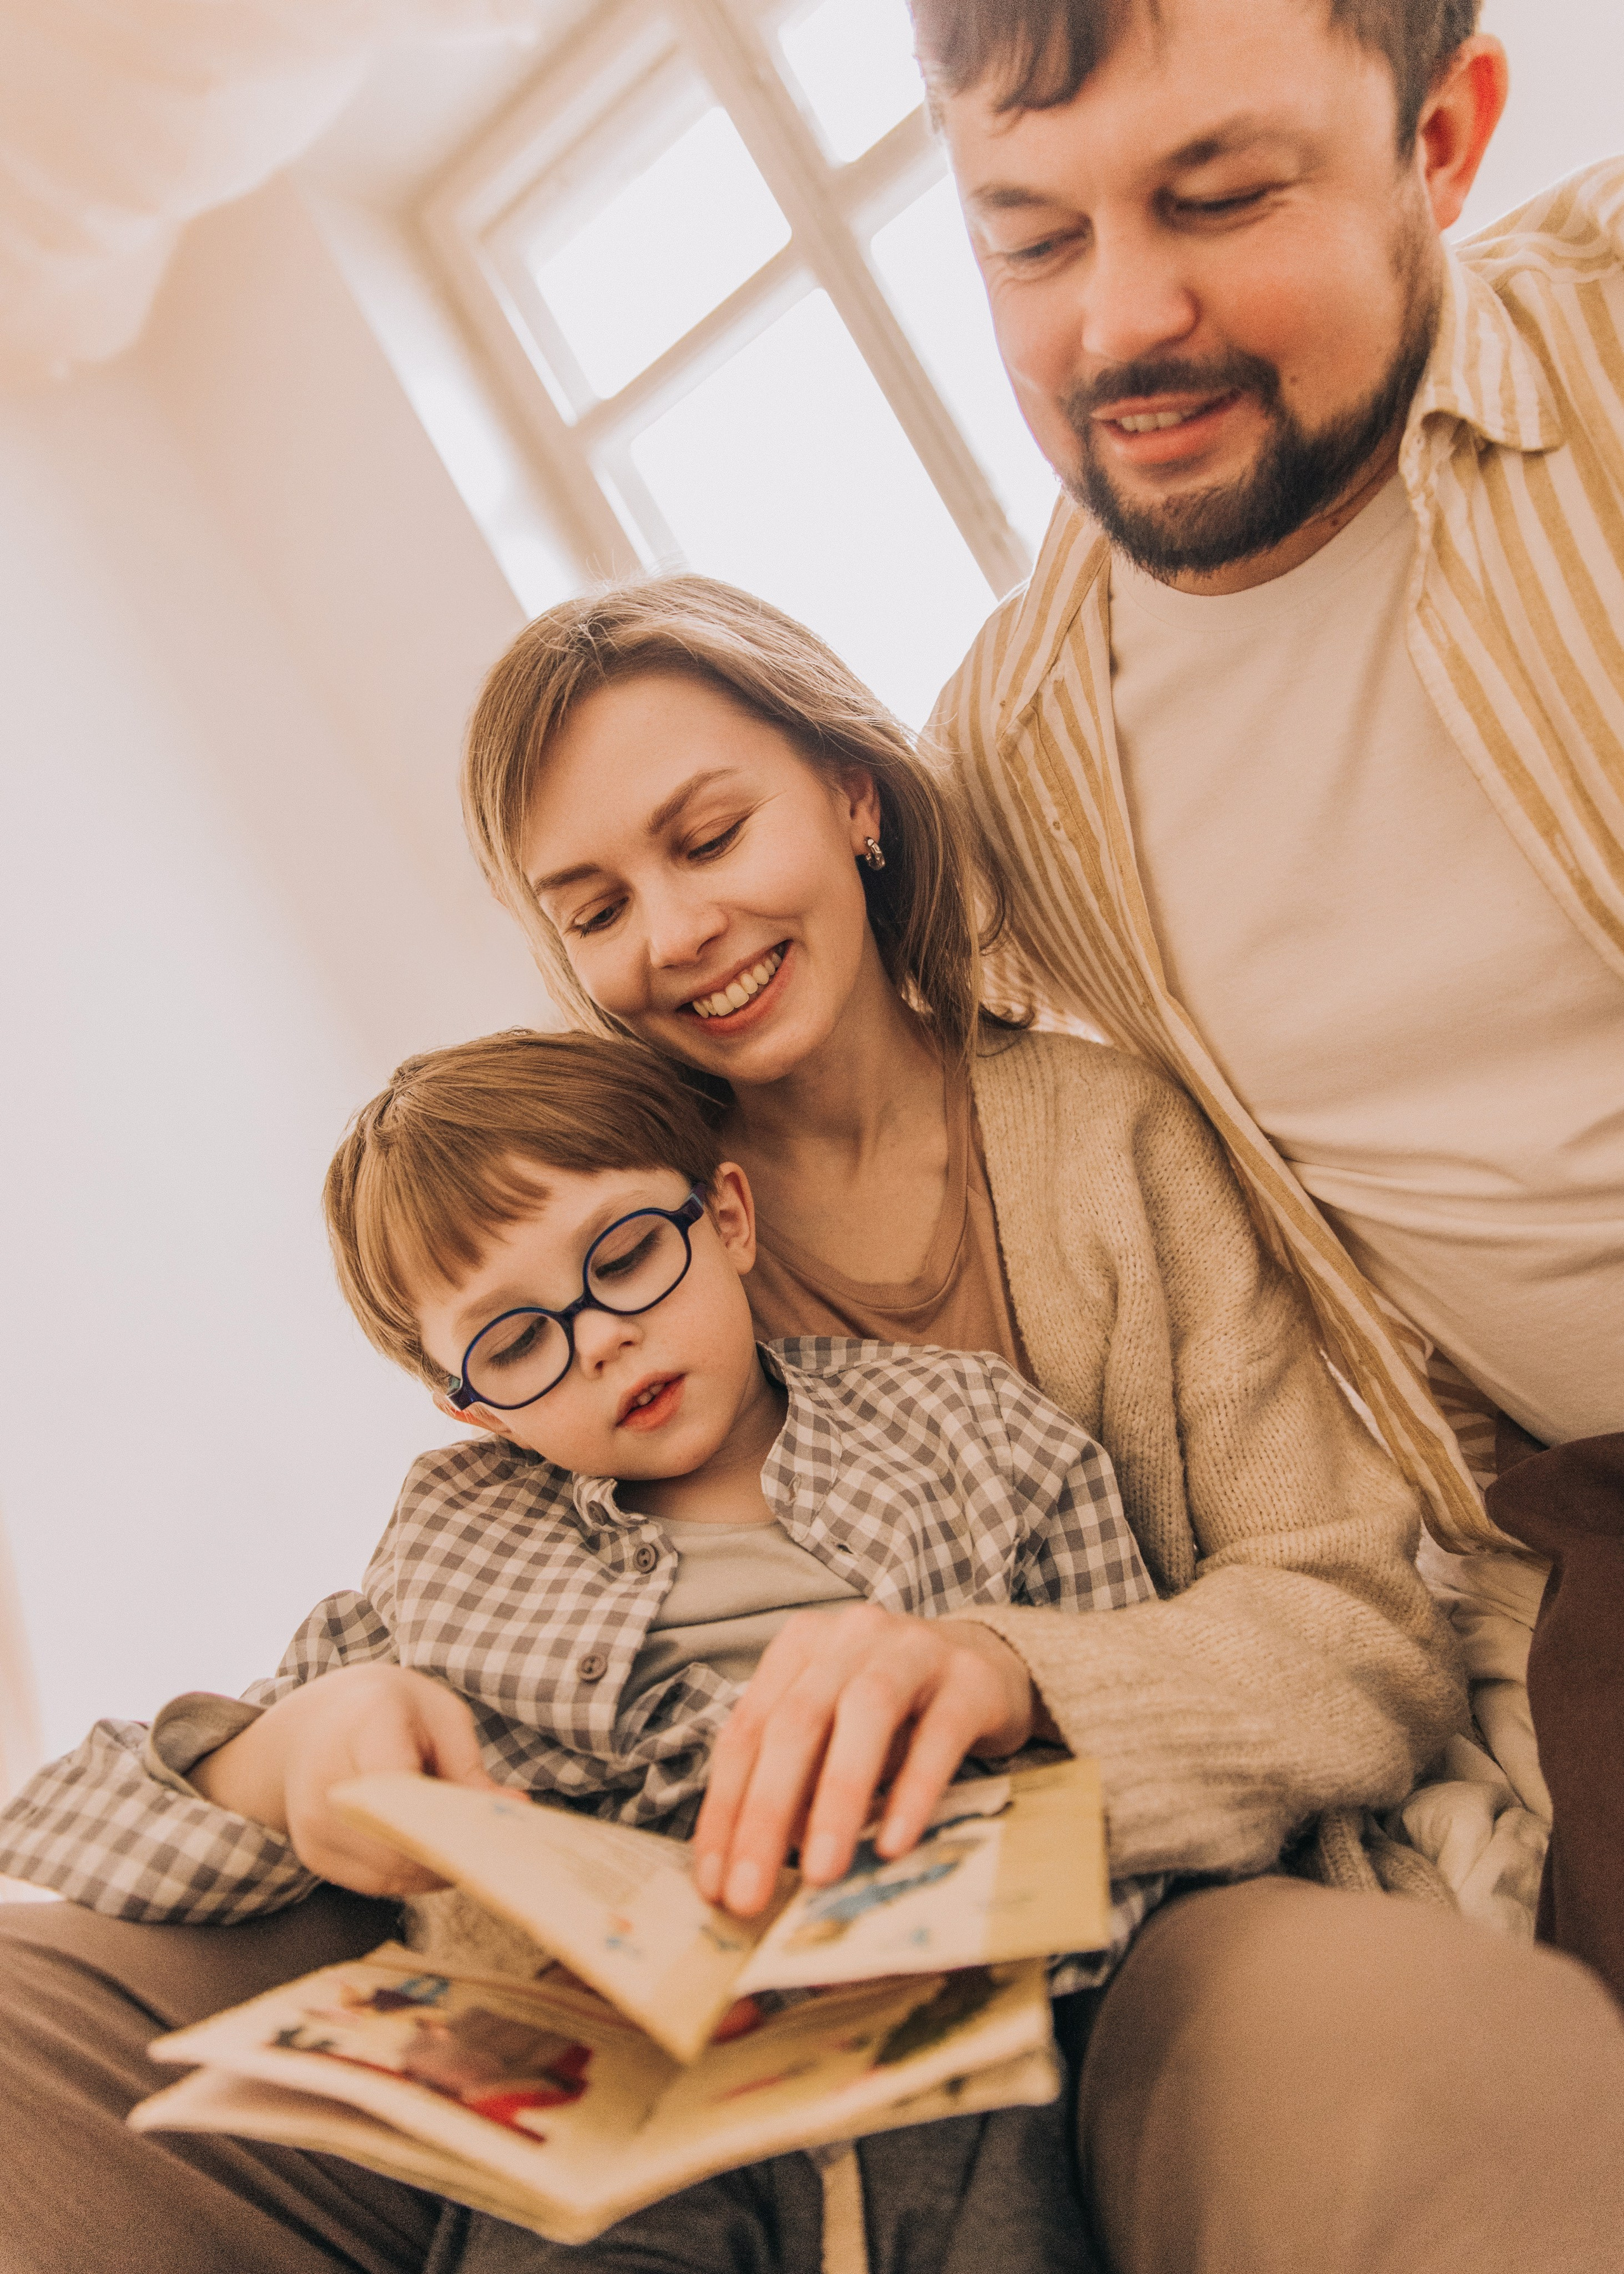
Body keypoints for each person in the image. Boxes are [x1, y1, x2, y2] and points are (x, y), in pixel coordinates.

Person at [451, 570, 1624, 2269]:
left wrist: (1014, 1677)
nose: (676, 931)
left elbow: (1359, 1632)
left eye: (708, 838)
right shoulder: (624, 1253)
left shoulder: (1110, 1142)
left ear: (853, 795)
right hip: (773, 2003)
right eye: (595, 908)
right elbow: (505, 1621)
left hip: (1155, 1927)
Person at [0, 1026, 1160, 2274]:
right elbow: (74, 1824)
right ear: (470, 1405)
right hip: (603, 2077)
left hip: (933, 2007)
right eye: (513, 1342)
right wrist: (285, 1760)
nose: (601, 1337)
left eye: (627, 1256)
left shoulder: (962, 1427)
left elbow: (1138, 1709)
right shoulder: (450, 1552)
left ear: (727, 1218)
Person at [910, 0, 1624, 1998]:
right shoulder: (1015, 759)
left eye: (1220, 196)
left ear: (1444, 138)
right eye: (1030, 238)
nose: (1119, 323)